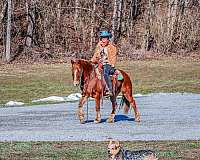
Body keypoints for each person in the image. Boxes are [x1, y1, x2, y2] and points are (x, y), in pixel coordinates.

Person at [91, 30, 117, 97]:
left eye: (105, 38)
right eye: (102, 38)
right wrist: (92, 61)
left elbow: (113, 58)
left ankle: (110, 90)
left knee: (105, 73)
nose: (103, 40)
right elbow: (95, 56)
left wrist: (110, 63)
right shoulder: (99, 47)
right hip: (99, 63)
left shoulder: (112, 48)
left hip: (108, 64)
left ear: (108, 39)